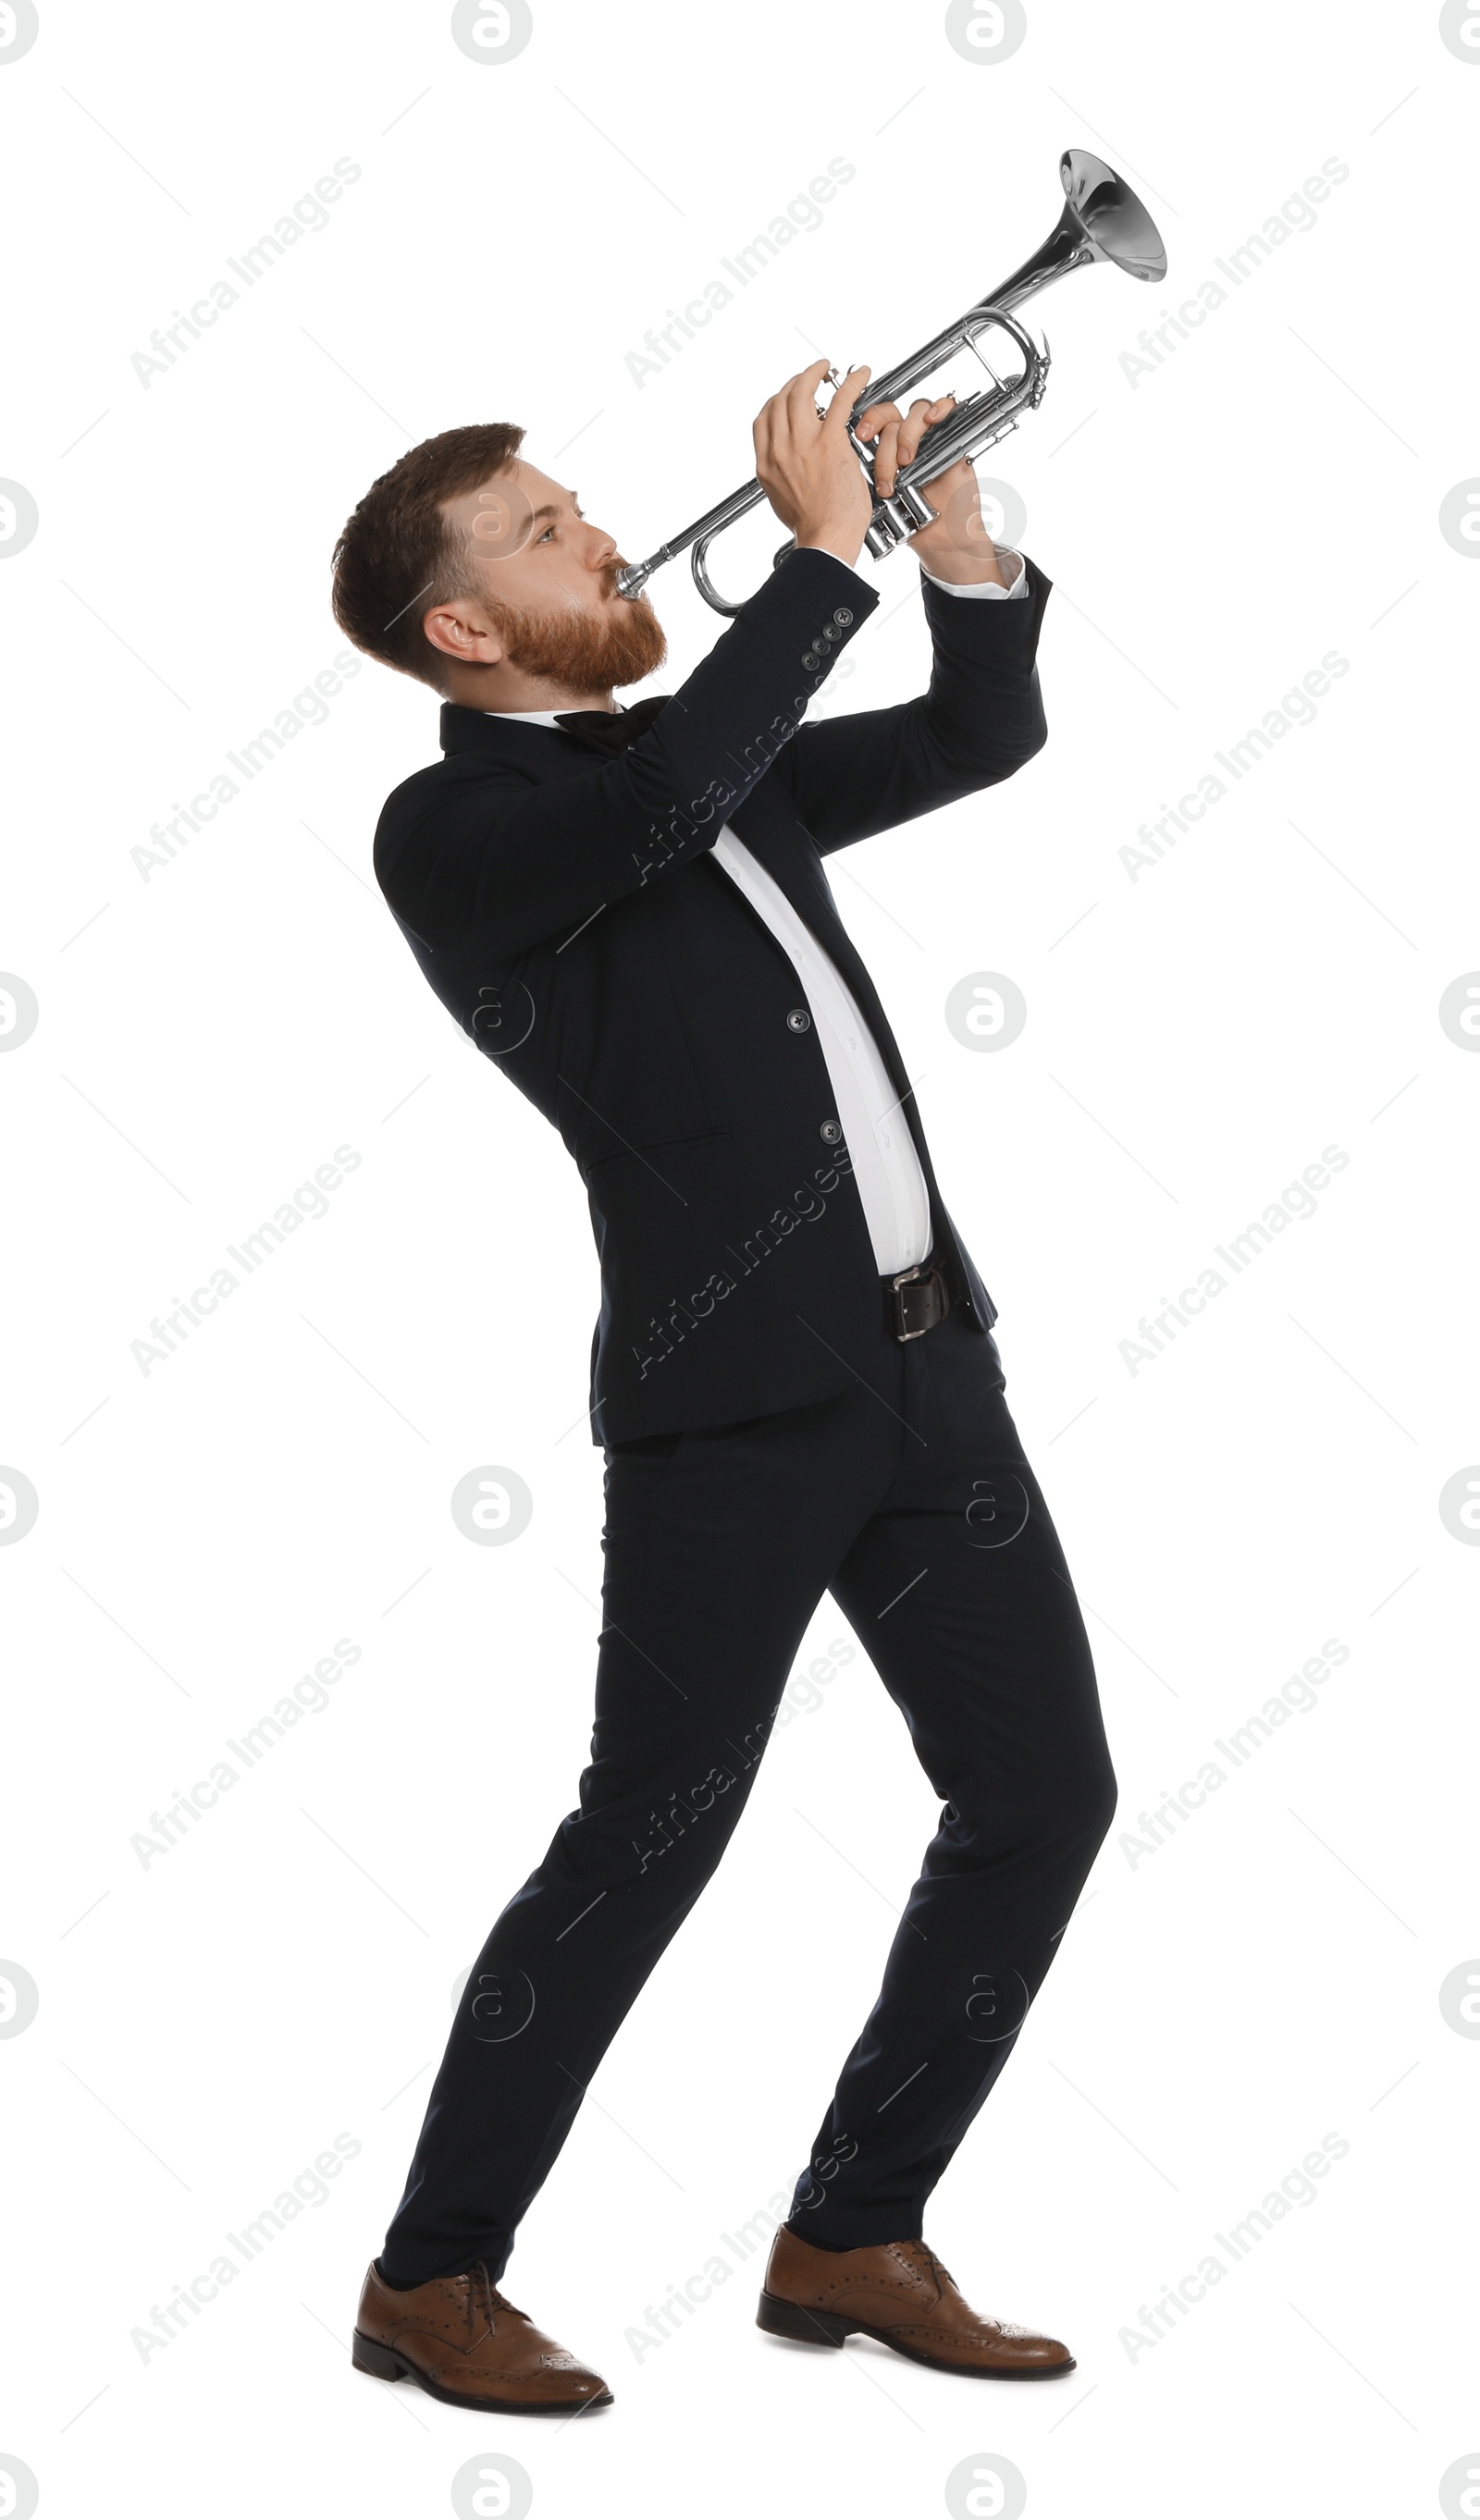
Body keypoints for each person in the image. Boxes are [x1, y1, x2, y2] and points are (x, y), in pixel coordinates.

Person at [327, 362, 1117, 2415]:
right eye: (538, 530)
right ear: (462, 630)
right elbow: (659, 799)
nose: (596, 530)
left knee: (1042, 1792)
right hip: (728, 1413)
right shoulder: (463, 828)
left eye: (577, 502)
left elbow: (976, 731)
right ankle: (430, 2278)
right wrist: (811, 553)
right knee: (646, 1838)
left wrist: (948, 558)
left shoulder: (708, 760)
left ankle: (851, 2230)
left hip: (931, 1375)